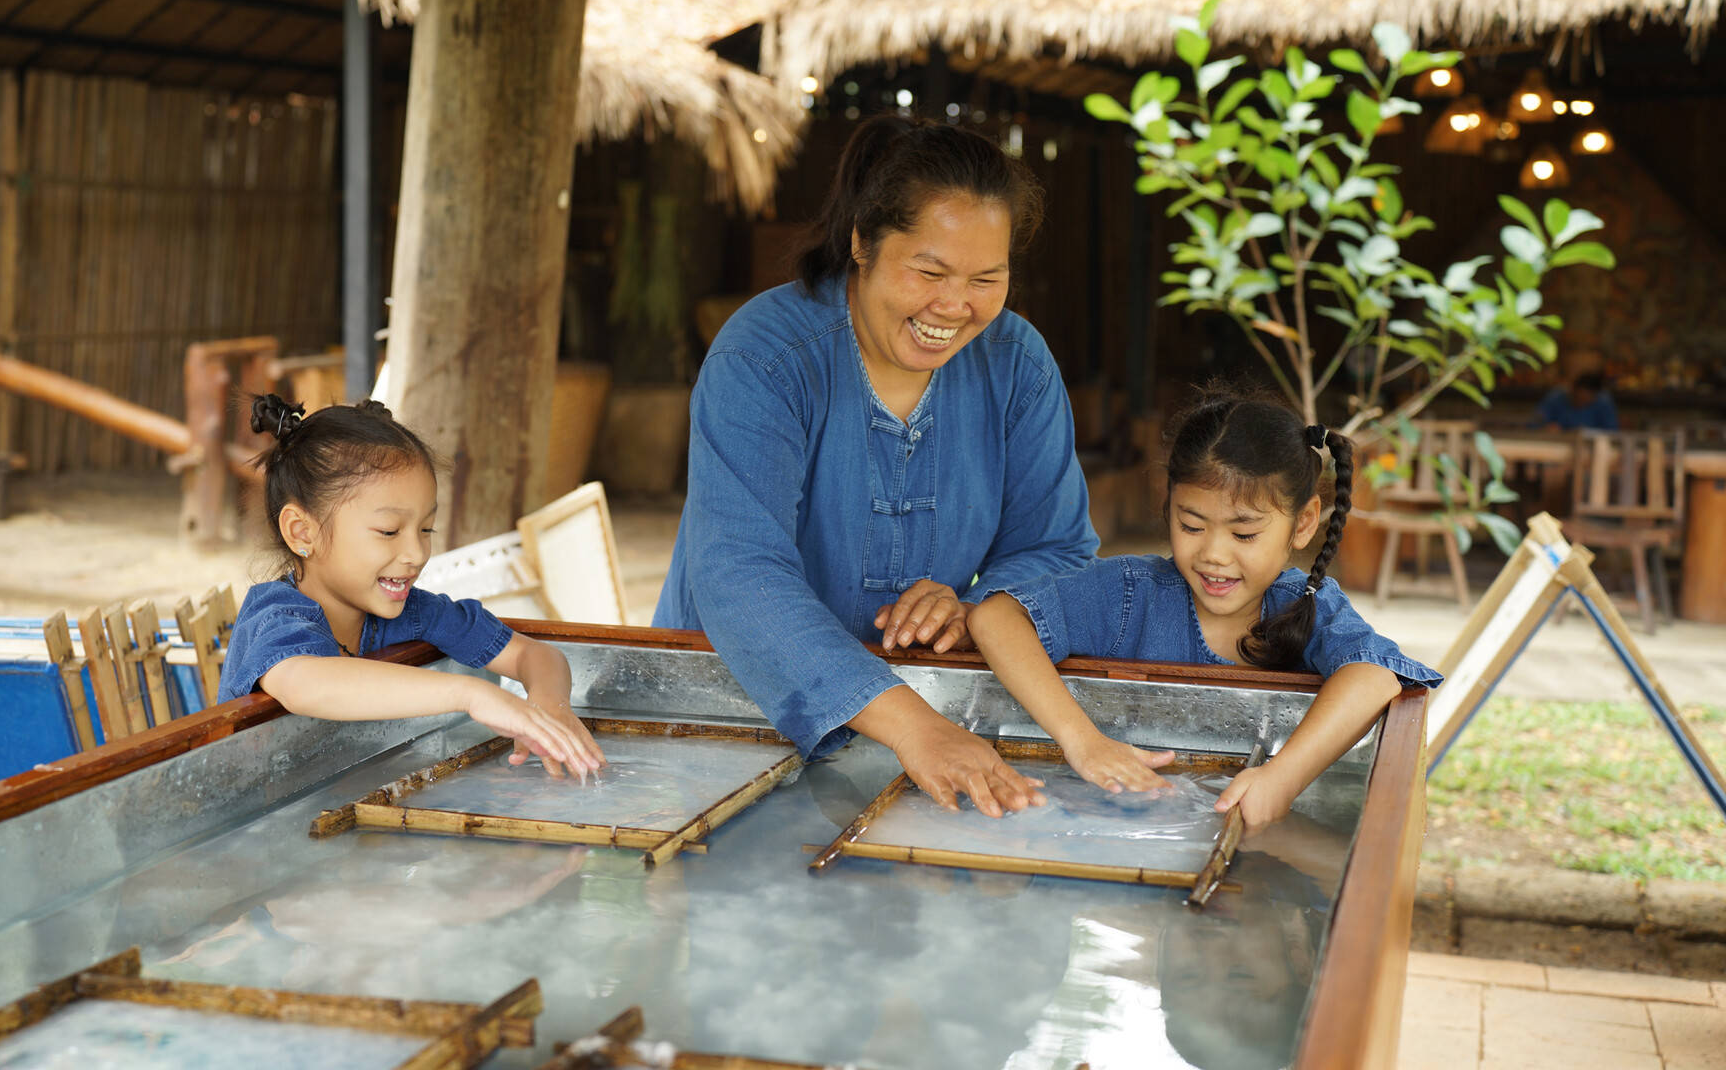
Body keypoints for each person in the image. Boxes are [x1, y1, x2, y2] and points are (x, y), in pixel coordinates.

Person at [655, 114, 1098, 817]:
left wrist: (981, 610)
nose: (954, 306)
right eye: (929, 270)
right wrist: (916, 727)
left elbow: (1056, 546)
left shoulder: (1017, 364)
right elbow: (738, 572)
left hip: (929, 733)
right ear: (862, 242)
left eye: (987, 277)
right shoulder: (764, 359)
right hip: (727, 717)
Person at [967, 390, 1441, 831]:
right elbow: (995, 618)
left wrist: (1281, 778)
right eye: (1191, 525)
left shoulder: (1308, 604)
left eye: (1244, 534)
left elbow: (1375, 676)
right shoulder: (1130, 594)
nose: (1214, 554)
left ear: (1304, 523)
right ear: (1169, 504)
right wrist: (1084, 741)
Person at [218, 394, 604, 778]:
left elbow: (535, 656)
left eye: (425, 529)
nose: (416, 553)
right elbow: (308, 682)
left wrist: (551, 709)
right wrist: (471, 694)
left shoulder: (415, 612)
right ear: (302, 532)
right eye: (389, 531)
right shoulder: (274, 618)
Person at [1533, 369, 1619, 431]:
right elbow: (1534, 424)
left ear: (1595, 397)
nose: (1580, 403)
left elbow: (1612, 432)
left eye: (1585, 400)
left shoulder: (1603, 402)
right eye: (1577, 398)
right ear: (1572, 390)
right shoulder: (1555, 398)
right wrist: (1545, 428)